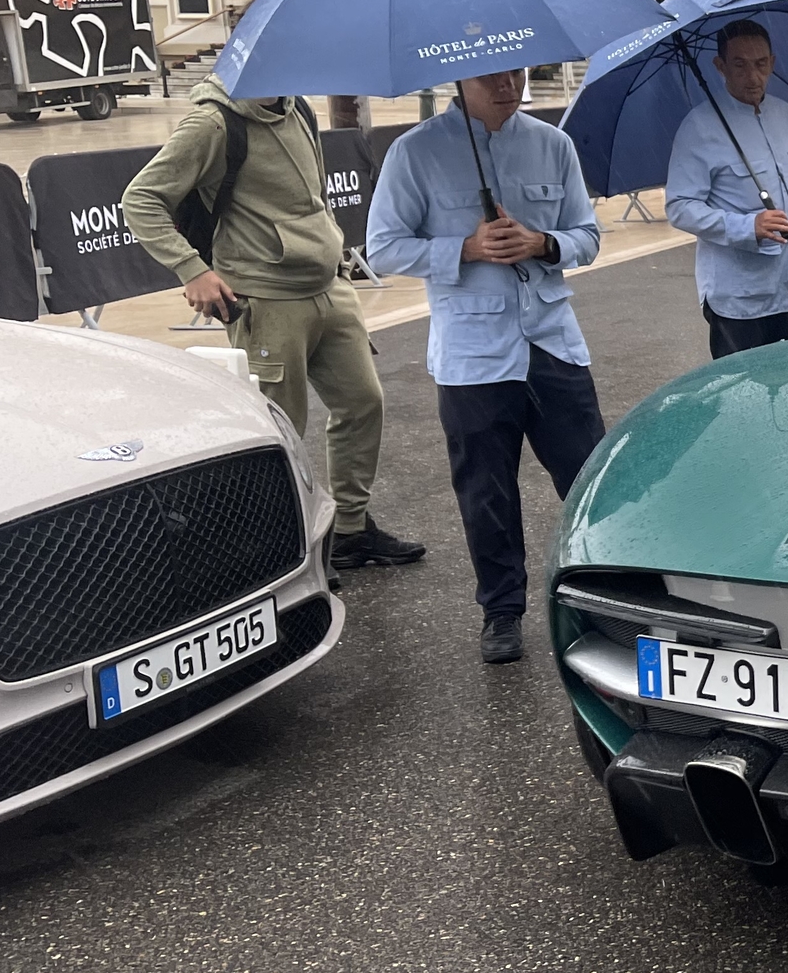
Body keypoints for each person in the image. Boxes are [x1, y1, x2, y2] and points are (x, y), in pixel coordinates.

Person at [123, 80, 424, 572]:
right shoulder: (213, 123)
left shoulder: (297, 107)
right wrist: (192, 269)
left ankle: (349, 529)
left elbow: (312, 201)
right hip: (266, 298)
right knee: (281, 431)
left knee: (363, 402)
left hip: (329, 287)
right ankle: (288, 547)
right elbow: (141, 200)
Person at [366, 68, 604, 665]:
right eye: (492, 77)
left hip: (551, 342)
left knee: (592, 480)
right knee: (486, 493)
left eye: (517, 74)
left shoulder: (554, 144)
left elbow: (587, 235)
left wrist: (543, 243)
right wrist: (465, 248)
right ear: (458, 77)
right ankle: (502, 610)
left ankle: (605, 596)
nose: (509, 86)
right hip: (472, 354)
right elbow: (383, 247)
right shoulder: (415, 152)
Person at [664, 18, 788, 359]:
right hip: (739, 297)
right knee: (744, 397)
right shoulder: (699, 127)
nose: (752, 77)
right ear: (720, 66)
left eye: (760, 64)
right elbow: (680, 207)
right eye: (739, 66)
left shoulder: (787, 117)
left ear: (772, 62)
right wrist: (747, 226)